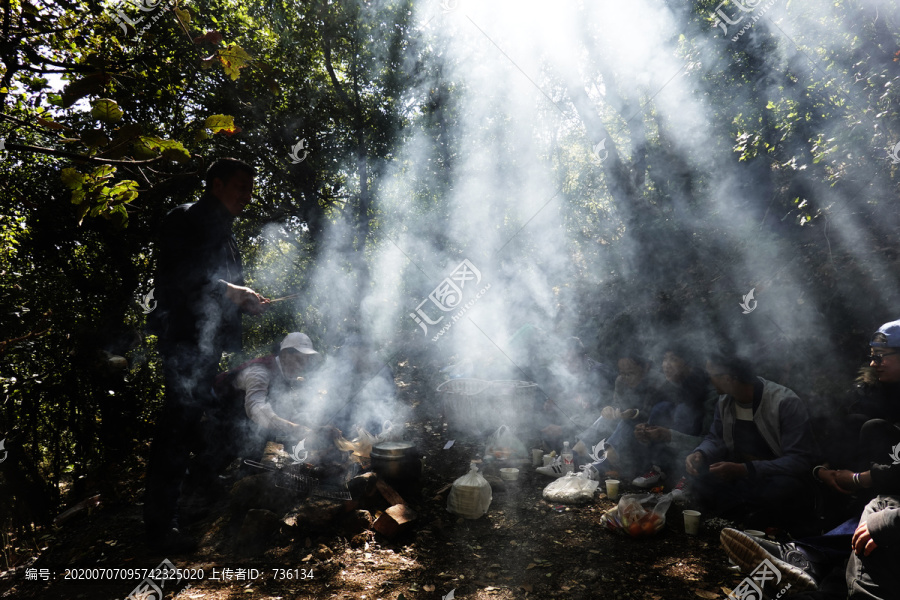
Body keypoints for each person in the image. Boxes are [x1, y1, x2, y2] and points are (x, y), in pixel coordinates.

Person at [143, 158, 270, 553]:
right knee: (176, 429)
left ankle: (200, 485)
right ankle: (160, 528)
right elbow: (182, 277)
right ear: (216, 184)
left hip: (209, 345)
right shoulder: (185, 219)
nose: (246, 197)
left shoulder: (226, 233)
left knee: (216, 414)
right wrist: (235, 291)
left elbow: (221, 294)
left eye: (250, 190)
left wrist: (245, 303)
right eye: (240, 188)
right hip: (183, 342)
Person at [684, 353, 818, 526]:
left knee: (782, 490)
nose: (709, 380)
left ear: (729, 378)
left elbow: (799, 460)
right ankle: (736, 519)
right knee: (701, 481)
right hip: (741, 474)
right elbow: (715, 438)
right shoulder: (724, 401)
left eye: (712, 376)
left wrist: (746, 469)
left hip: (776, 476)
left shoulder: (784, 402)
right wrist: (700, 453)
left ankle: (750, 521)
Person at [630, 345, 718, 495]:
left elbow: (709, 439)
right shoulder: (669, 385)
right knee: (660, 408)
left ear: (689, 364)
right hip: (675, 448)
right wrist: (645, 432)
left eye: (673, 359)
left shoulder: (711, 393)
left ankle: (689, 476)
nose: (666, 365)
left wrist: (668, 435)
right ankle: (659, 468)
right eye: (665, 359)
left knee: (684, 412)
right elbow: (648, 414)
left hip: (702, 453)